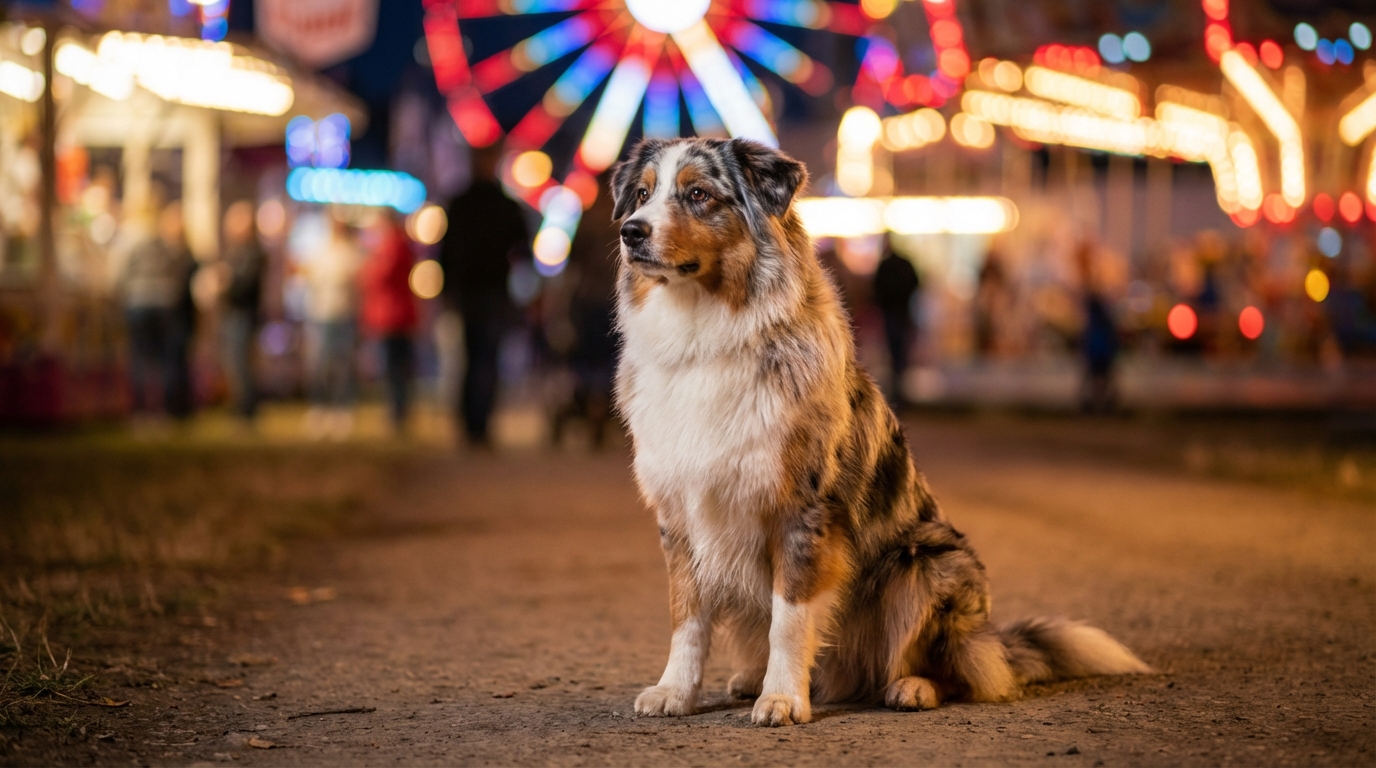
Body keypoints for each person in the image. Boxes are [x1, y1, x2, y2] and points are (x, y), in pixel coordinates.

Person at [439, 144, 529, 446]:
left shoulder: (461, 203)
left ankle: (474, 423)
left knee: (476, 356)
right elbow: (523, 249)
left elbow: (446, 251)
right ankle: (476, 422)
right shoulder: (501, 205)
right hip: (485, 291)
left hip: (480, 291)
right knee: (483, 357)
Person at [551, 177, 618, 448]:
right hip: (609, 305)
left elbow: (571, 267)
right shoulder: (621, 225)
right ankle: (601, 409)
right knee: (608, 360)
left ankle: (591, 405)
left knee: (588, 360)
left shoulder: (587, 224)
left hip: (591, 303)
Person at [115, 204, 184, 422]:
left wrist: (123, 297)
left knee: (139, 357)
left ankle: (141, 410)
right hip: (163, 303)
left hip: (138, 302)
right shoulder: (164, 243)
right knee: (164, 359)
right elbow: (177, 272)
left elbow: (120, 274)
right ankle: (164, 410)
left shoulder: (130, 242)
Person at [301, 214, 364, 440]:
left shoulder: (351, 252)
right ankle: (319, 408)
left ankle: (342, 410)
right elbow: (309, 277)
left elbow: (357, 280)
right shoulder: (320, 251)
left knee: (342, 364)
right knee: (319, 364)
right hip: (320, 315)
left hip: (344, 315)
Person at [360, 212, 419, 436]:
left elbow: (380, 276)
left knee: (395, 367)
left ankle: (397, 413)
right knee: (396, 367)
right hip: (394, 314)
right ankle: (397, 411)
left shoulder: (392, 245)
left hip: (393, 316)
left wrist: (368, 266)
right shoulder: (396, 244)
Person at [219, 201, 266, 423]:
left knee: (241, 362)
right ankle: (241, 405)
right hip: (232, 312)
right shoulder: (234, 251)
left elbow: (246, 284)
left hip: (244, 313)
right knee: (232, 362)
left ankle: (248, 408)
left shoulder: (253, 252)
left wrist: (225, 284)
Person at [161, 203, 198, 420]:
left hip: (182, 314)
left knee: (179, 360)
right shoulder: (166, 253)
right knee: (172, 360)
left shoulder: (185, 255)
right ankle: (172, 405)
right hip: (171, 314)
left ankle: (179, 405)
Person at [873, 246, 920, 406]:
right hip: (902, 312)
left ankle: (898, 389)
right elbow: (915, 282)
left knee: (894, 352)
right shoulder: (904, 264)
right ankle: (900, 389)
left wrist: (884, 304)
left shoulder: (885, 266)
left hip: (891, 313)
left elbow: (876, 288)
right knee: (901, 352)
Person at [1077, 242, 1120, 413]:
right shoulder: (1098, 301)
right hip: (1099, 342)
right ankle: (1101, 404)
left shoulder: (1096, 301)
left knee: (1096, 377)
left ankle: (1096, 404)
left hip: (1097, 342)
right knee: (1100, 377)